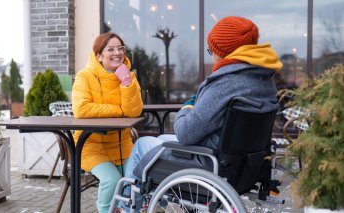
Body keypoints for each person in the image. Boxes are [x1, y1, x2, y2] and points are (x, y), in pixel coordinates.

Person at [119, 16, 283, 212]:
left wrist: (188, 107)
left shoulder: (225, 82)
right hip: (246, 168)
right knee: (162, 138)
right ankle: (157, 202)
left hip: (210, 165)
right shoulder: (263, 80)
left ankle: (128, 207)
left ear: (223, 53)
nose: (212, 55)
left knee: (141, 145)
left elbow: (185, 133)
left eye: (212, 50)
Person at [71, 32, 143, 213]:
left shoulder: (129, 77)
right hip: (90, 145)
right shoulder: (85, 76)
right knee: (112, 179)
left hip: (122, 144)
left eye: (120, 48)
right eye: (110, 49)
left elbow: (134, 112)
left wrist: (126, 82)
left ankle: (127, 209)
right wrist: (119, 111)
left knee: (138, 176)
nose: (117, 53)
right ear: (98, 56)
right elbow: (81, 109)